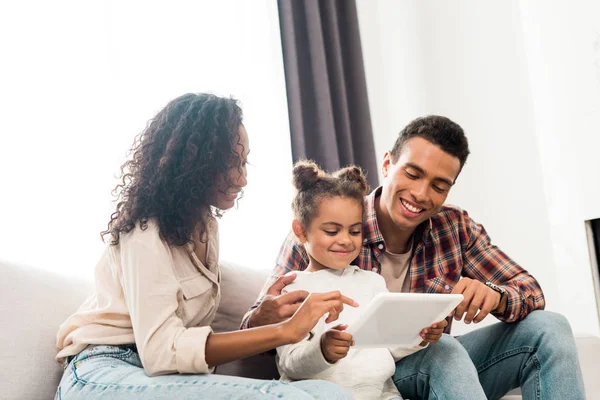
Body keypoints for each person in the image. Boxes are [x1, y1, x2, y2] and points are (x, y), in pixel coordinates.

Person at [243, 116, 586, 400]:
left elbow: (530, 290)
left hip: (434, 368)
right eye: (413, 173)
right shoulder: (329, 224)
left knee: (549, 327)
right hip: (356, 376)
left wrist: (496, 296)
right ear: (388, 163)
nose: (421, 195)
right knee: (445, 350)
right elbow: (260, 329)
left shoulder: (455, 226)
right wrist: (270, 319)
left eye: (439, 185)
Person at [54, 93, 356, 400]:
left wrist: (260, 323)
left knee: (328, 393)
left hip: (155, 375)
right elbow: (161, 353)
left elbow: (187, 346)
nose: (243, 179)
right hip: (101, 374)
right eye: (231, 164)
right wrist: (285, 331)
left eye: (244, 162)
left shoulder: (206, 229)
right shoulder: (145, 233)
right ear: (195, 164)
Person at [275, 160, 443, 400]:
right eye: (332, 231)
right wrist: (323, 351)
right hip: (319, 394)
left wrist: (419, 335)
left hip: (382, 392)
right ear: (300, 231)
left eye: (355, 231)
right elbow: (290, 364)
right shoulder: (292, 288)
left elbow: (386, 347)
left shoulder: (372, 282)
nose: (346, 240)